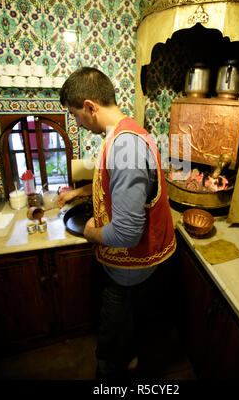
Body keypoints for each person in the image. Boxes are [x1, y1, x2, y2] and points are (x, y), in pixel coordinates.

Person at [57, 66, 176, 380]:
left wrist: (87, 230)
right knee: (130, 324)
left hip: (130, 266)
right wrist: (79, 193)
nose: (78, 123)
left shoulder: (125, 146)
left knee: (111, 339)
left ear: (90, 107)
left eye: (76, 115)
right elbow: (113, 180)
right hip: (141, 262)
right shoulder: (125, 129)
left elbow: (125, 232)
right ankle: (130, 356)